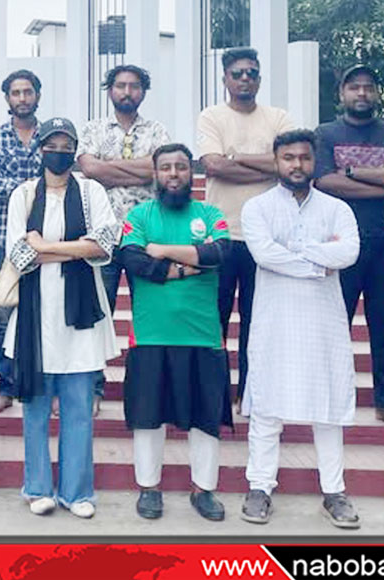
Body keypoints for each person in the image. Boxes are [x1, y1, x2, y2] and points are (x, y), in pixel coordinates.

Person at [239, 129, 361, 529]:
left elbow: (349, 251)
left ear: (315, 161)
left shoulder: (337, 209)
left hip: (324, 323)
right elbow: (264, 254)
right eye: (288, 157)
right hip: (274, 320)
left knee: (327, 408)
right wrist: (319, 262)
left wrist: (295, 250)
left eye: (304, 158)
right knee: (267, 406)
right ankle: (260, 488)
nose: (297, 164)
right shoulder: (257, 208)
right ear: (276, 162)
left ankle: (334, 492)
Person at [4, 117, 121, 519]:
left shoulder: (91, 191)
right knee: (35, 410)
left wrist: (46, 247)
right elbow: (19, 254)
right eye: (51, 145)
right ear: (40, 150)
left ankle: (77, 491)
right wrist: (74, 248)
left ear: (74, 149)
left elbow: (104, 245)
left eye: (66, 145)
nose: (59, 152)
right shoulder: (23, 194)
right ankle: (37, 487)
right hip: (35, 315)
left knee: (78, 409)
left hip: (82, 315)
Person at [118, 143, 233, 521]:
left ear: (192, 173)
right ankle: (149, 489)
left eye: (181, 167)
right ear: (155, 174)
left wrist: (161, 250)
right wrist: (188, 264)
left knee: (205, 418)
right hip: (150, 333)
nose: (173, 174)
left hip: (202, 333)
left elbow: (220, 253)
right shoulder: (139, 215)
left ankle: (204, 490)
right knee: (148, 417)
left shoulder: (210, 213)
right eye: (165, 167)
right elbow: (134, 259)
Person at [314, 64, 384, 425]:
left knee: (383, 323)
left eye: (368, 87)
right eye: (354, 87)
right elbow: (325, 183)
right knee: (334, 322)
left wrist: (352, 173)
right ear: (341, 94)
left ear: (376, 93)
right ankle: (330, 395)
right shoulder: (326, 134)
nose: (361, 93)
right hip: (339, 244)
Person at [198, 47, 296, 409]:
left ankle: (251, 396)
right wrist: (267, 165)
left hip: (266, 239)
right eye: (237, 73)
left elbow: (290, 164)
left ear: (259, 79)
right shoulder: (212, 116)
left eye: (251, 73)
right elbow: (213, 166)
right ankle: (215, 398)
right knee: (215, 320)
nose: (244, 79)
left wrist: (236, 157)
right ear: (225, 78)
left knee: (260, 323)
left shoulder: (278, 117)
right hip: (222, 235)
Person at [77, 64, 169, 415]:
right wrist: (139, 169)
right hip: (102, 235)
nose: (127, 92)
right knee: (99, 314)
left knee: (150, 314)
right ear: (110, 90)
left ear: (143, 91)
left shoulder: (157, 130)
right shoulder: (93, 129)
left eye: (134, 86)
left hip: (145, 236)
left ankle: (146, 391)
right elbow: (90, 170)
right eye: (120, 86)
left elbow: (157, 171)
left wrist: (110, 168)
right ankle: (93, 388)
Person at [0, 69, 44, 414]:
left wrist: (28, 188)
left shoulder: (51, 136)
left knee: (48, 315)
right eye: (16, 93)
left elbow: (59, 181)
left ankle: (45, 387)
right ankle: (6, 386)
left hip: (49, 243)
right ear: (7, 98)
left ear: (38, 95)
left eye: (28, 92)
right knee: (4, 316)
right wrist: (38, 188)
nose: (22, 98)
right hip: (7, 241)